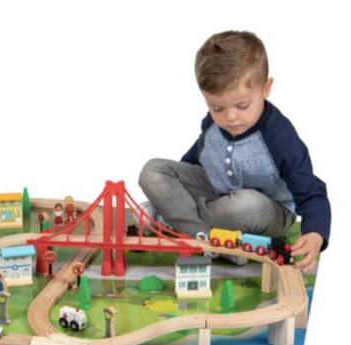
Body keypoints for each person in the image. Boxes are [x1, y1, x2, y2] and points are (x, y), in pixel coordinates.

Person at [138, 31, 330, 272]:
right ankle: (207, 239)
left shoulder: (280, 137)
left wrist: (315, 233)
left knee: (246, 204)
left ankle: (171, 218)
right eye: (217, 108)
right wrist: (174, 188)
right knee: (153, 171)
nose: (230, 117)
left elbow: (311, 190)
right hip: (216, 194)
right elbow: (196, 158)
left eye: (242, 105)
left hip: (266, 212)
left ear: (266, 88)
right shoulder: (213, 124)